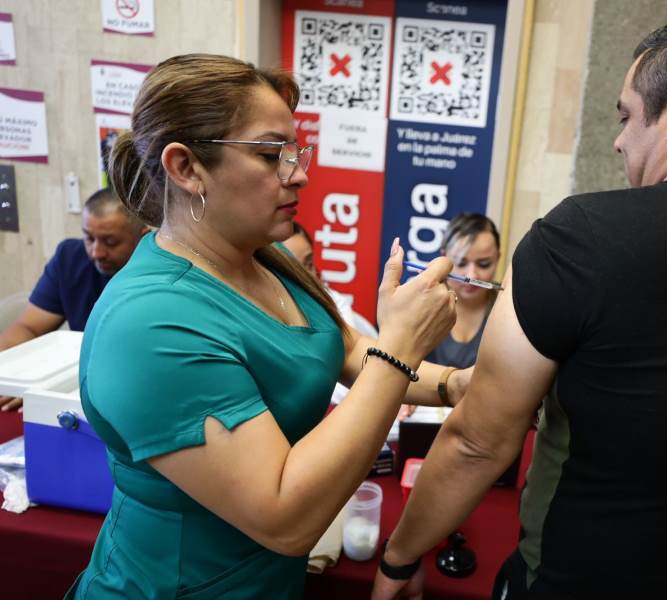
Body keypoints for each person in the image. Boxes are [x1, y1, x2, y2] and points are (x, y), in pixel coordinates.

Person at [374, 12, 667, 600]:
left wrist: (398, 558)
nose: (619, 139)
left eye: (626, 115)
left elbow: (478, 443)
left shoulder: (580, 236)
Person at [66, 54, 468, 599]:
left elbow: (347, 351)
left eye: (295, 151)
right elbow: (284, 518)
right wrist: (402, 345)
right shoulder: (150, 324)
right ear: (185, 168)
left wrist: (457, 385)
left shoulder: (264, 257)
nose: (299, 172)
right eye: (270, 153)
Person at [0, 188, 146, 412]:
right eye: (89, 237)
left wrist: (47, 385)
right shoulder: (69, 258)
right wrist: (15, 378)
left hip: (125, 395)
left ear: (143, 236)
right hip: (71, 389)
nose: (97, 252)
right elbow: (28, 327)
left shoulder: (161, 275)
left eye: (110, 241)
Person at [399, 213, 500, 419]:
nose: (472, 275)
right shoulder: (423, 304)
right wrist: (404, 392)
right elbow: (399, 364)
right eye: (461, 263)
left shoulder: (507, 310)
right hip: (422, 417)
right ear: (444, 258)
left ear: (498, 257)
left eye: (483, 264)